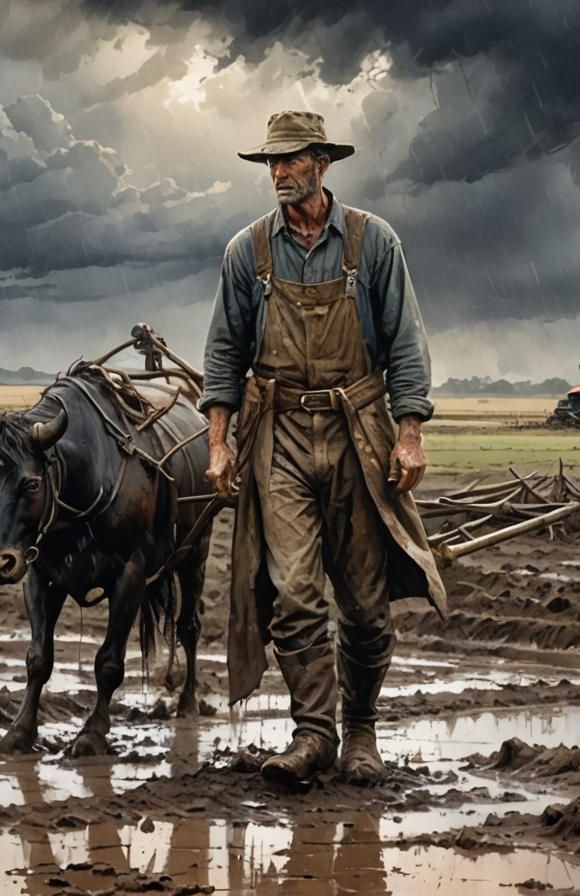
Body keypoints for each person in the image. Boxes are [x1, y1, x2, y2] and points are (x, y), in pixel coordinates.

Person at [199, 111, 447, 786]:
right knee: (293, 593)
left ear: (322, 165)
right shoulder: (247, 253)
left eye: (291, 160)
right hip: (277, 434)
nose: (278, 172)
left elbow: (405, 345)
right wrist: (219, 444)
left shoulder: (373, 243)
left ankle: (360, 733)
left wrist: (410, 432)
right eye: (271, 162)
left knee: (365, 603)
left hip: (357, 433)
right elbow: (224, 354)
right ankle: (313, 735)